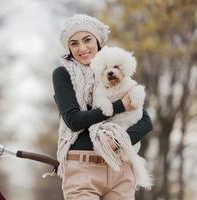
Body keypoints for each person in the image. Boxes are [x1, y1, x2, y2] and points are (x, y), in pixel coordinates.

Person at [52, 14, 153, 200]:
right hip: (82, 168)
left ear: (98, 41)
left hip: (120, 168)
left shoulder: (119, 73)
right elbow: (74, 121)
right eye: (74, 43)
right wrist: (120, 106)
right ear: (69, 48)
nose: (82, 48)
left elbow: (146, 122)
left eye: (87, 40)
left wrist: (116, 143)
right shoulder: (63, 74)